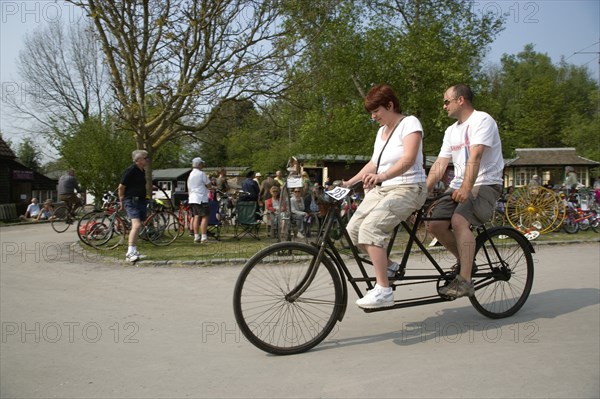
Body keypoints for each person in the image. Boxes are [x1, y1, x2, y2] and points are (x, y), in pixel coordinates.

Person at [341, 84, 427, 309]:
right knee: (353, 230)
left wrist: (382, 176)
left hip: (408, 188)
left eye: (376, 111)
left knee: (371, 229)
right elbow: (373, 163)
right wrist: (350, 182)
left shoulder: (410, 123)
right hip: (384, 188)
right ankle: (389, 267)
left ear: (390, 105)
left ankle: (383, 290)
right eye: (371, 112)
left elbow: (408, 160)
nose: (373, 117)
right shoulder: (381, 132)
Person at [426, 84, 504, 298]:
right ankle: (467, 262)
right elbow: (440, 164)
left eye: (446, 101)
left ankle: (465, 280)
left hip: (485, 182)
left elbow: (476, 156)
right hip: (460, 183)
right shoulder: (451, 131)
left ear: (461, 100)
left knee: (459, 220)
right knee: (435, 225)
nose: (443, 106)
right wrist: (422, 191)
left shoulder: (482, 120)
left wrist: (467, 187)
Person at [118, 150, 149, 263]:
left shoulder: (142, 171)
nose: (147, 160)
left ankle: (134, 250)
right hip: (131, 200)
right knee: (136, 225)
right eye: (146, 158)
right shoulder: (131, 170)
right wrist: (121, 200)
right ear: (139, 160)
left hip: (140, 200)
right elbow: (121, 186)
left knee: (138, 225)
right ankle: (130, 252)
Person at [187, 157, 212, 243]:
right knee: (205, 216)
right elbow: (209, 185)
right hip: (201, 197)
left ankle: (196, 236)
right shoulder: (201, 174)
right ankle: (204, 236)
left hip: (192, 198)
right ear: (199, 164)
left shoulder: (190, 174)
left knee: (196, 216)